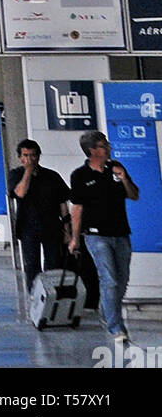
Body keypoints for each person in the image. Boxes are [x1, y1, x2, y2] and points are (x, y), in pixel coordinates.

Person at [69, 130, 139, 343]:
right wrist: (74, 238)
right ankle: (116, 327)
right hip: (96, 236)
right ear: (92, 151)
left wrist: (124, 178)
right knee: (109, 280)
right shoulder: (80, 175)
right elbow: (77, 209)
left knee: (122, 280)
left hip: (121, 232)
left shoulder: (116, 168)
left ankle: (105, 310)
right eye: (104, 145)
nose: (109, 148)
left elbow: (134, 195)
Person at [8, 139, 71, 291]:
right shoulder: (16, 175)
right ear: (20, 157)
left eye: (33, 155)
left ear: (38, 156)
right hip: (28, 227)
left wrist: (68, 230)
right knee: (32, 265)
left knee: (53, 264)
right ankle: (35, 297)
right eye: (25, 155)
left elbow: (63, 203)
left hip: (52, 226)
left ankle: (51, 296)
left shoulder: (51, 176)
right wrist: (28, 172)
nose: (29, 159)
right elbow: (20, 193)